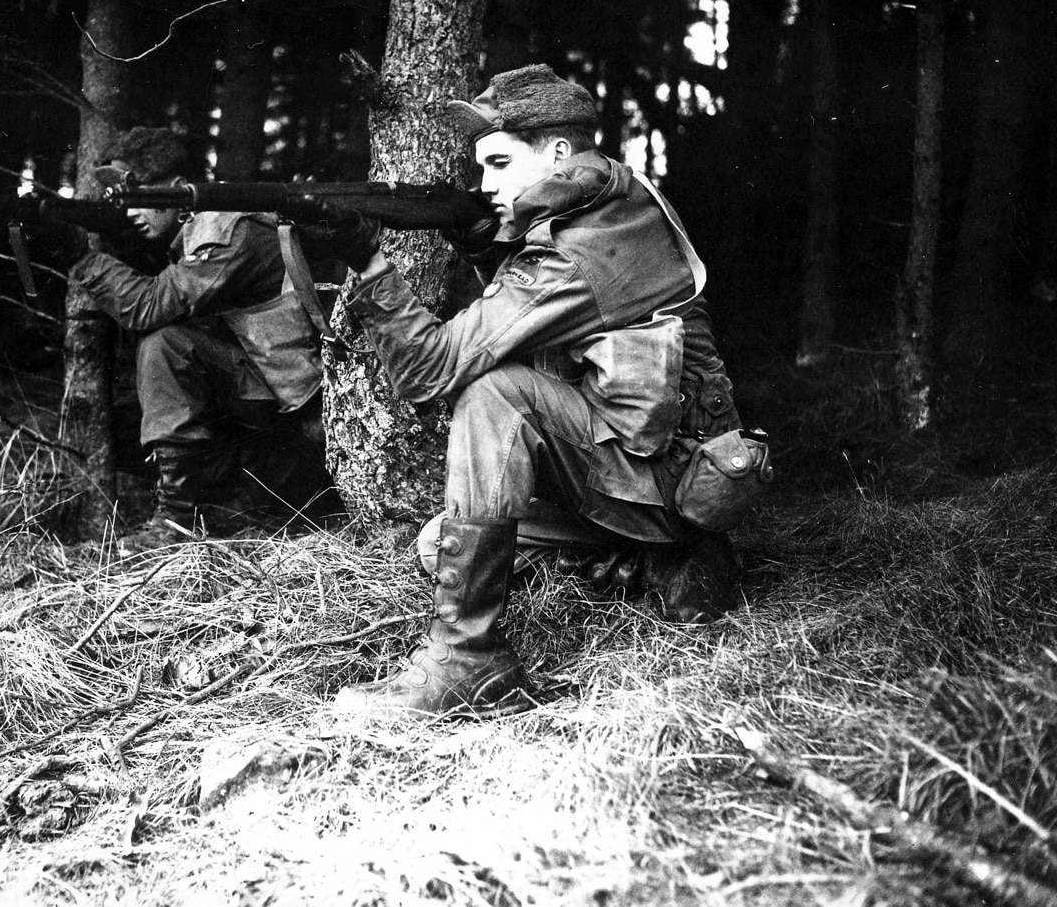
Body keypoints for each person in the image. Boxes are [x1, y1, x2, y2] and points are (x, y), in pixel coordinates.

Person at [295, 64, 770, 717]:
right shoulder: (615, 200)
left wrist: (368, 261)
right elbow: (562, 317)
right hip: (649, 465)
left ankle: (467, 662)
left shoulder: (576, 256)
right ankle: (656, 562)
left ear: (556, 154)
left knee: (496, 394)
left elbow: (431, 370)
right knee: (440, 548)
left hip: (662, 486)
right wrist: (483, 245)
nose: (484, 184)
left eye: (497, 163)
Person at [69, 127, 338, 550]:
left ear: (178, 190)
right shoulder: (193, 231)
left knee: (166, 342)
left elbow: (149, 306)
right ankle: (234, 501)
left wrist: (83, 259)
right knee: (121, 426)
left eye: (139, 196)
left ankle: (178, 520)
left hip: (304, 418)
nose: (130, 212)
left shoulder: (225, 230)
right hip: (268, 400)